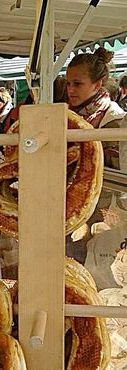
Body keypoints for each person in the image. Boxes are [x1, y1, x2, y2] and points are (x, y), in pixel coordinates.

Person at [65, 47, 126, 277]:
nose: (70, 90)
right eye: (68, 83)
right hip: (70, 210)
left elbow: (114, 179)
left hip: (101, 218)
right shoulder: (68, 117)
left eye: (77, 84)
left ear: (97, 84)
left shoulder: (116, 122)